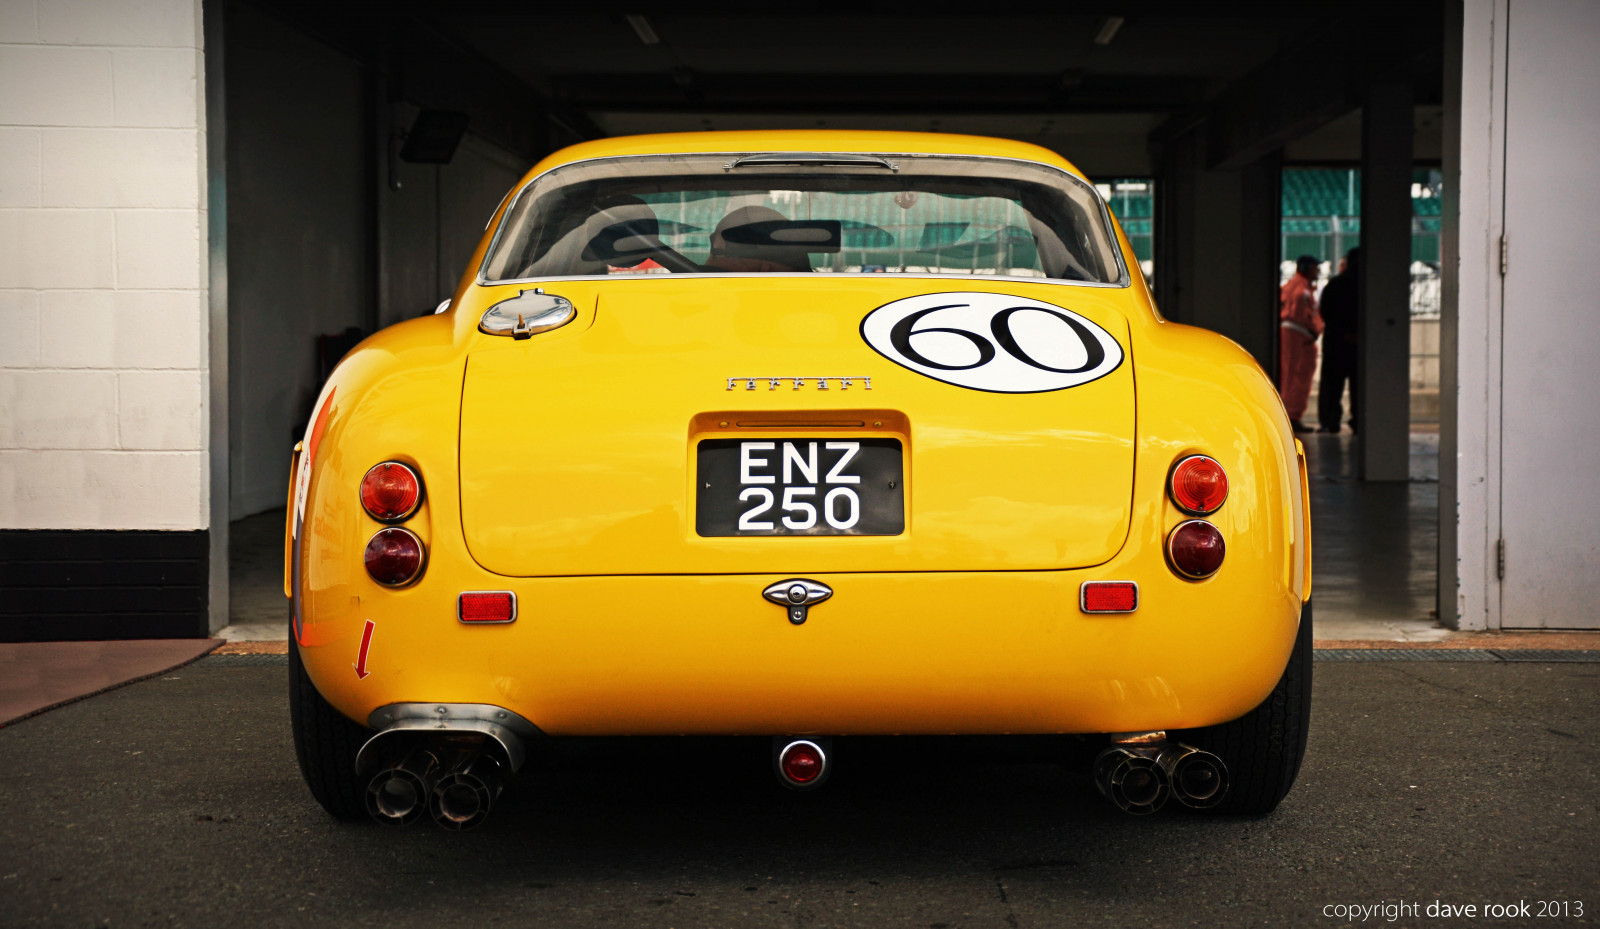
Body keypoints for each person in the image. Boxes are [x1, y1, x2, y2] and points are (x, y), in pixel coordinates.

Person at [1278, 254, 1323, 432]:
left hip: (1295, 336)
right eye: (1315, 267)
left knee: (1290, 375)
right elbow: (1302, 314)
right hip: (1299, 337)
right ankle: (1292, 417)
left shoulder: (1292, 286)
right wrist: (1315, 328)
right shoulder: (1301, 290)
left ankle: (1291, 415)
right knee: (1296, 377)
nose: (1318, 270)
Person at [1317, 246, 1360, 434]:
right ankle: (1359, 420)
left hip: (1335, 342)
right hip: (1359, 344)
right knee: (1359, 386)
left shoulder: (1334, 284)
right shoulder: (1367, 285)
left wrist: (1341, 332)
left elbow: (1325, 311)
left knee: (1332, 385)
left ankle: (1330, 421)